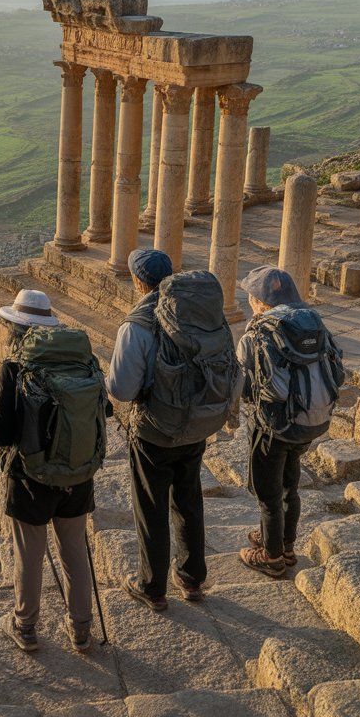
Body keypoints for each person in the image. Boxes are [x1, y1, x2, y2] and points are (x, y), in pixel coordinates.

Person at [107, 249, 240, 611]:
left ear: (138, 282)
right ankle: (192, 578)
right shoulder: (202, 313)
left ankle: (152, 586)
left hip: (154, 430)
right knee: (188, 498)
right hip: (199, 423)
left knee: (151, 506)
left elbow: (120, 389)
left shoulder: (138, 324)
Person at [0, 289, 105, 654]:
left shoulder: (14, 369)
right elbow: (104, 413)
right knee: (74, 549)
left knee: (29, 553)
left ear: (15, 328)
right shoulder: (84, 362)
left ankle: (25, 627)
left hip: (30, 478)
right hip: (78, 474)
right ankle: (82, 629)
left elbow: (4, 433)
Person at [236, 266, 342, 577]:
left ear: (259, 302)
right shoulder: (313, 323)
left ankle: (271, 557)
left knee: (268, 493)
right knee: (289, 485)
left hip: (272, 425)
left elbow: (244, 387)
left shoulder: (258, 332)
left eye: (251, 299)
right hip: (310, 421)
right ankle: (285, 544)